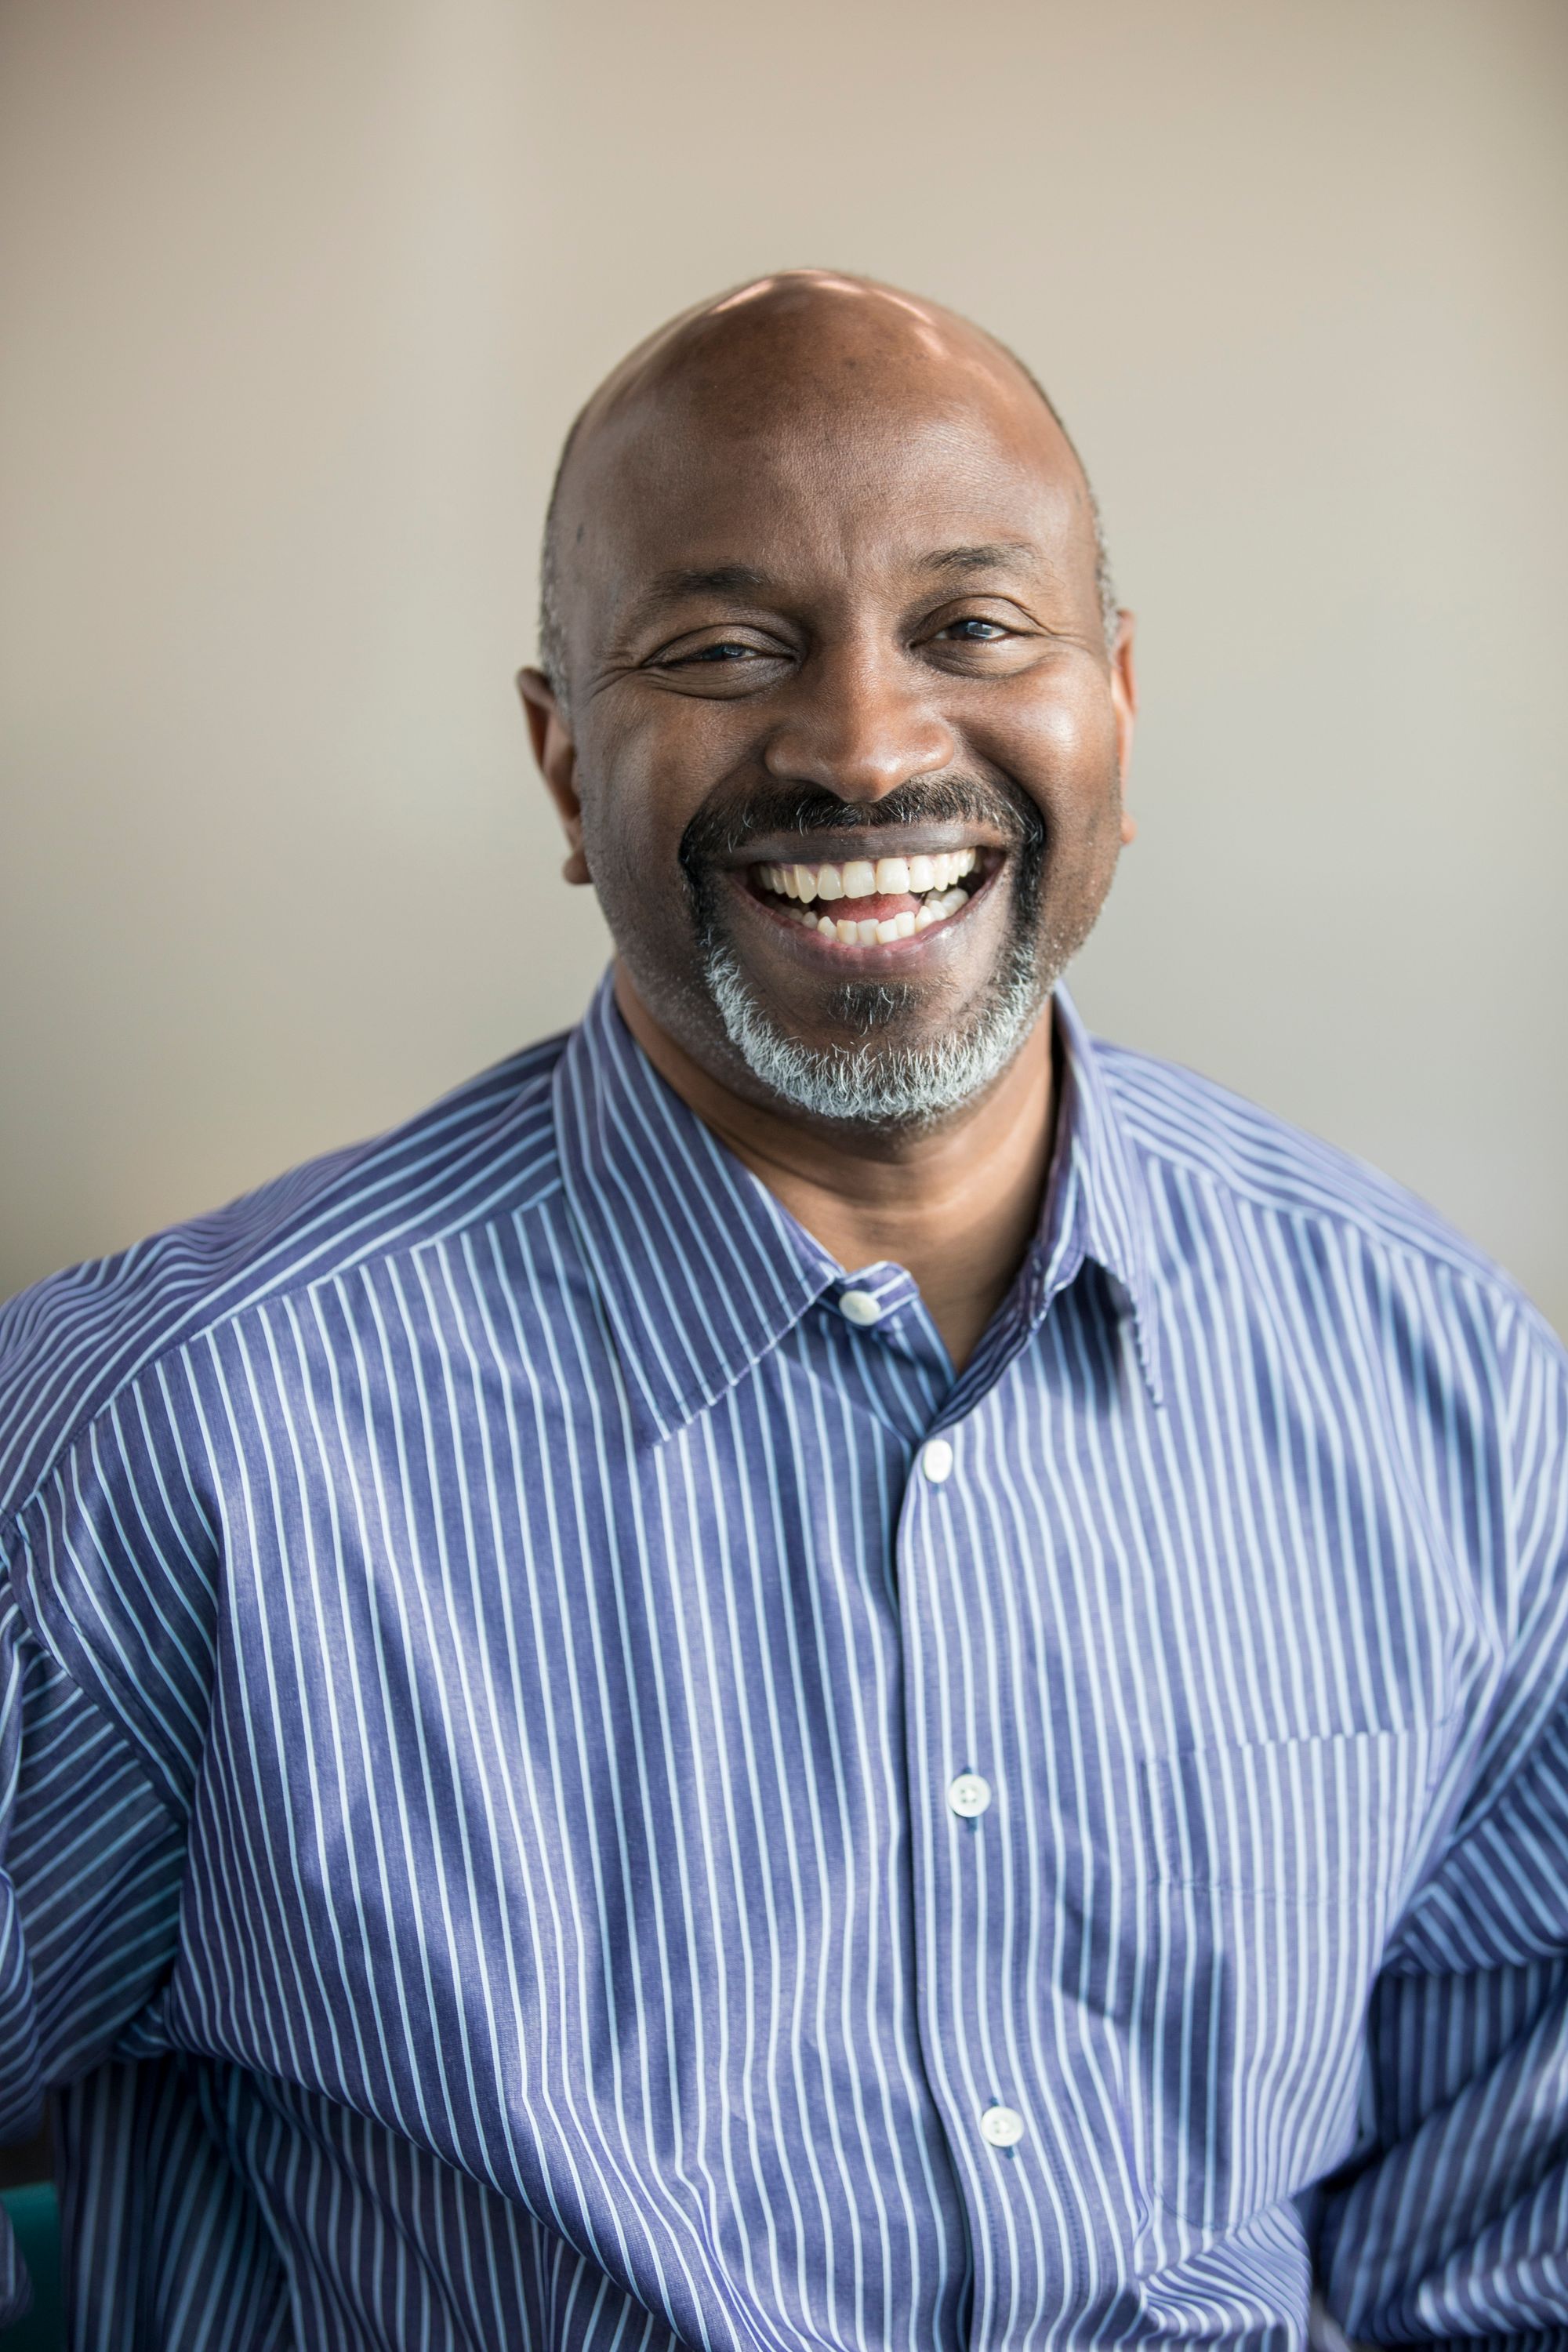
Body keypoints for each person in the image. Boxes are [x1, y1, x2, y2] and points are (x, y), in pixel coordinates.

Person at [1, 270, 1564, 2350]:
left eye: (973, 630)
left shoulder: (1442, 1377)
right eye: (728, 648)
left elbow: (1502, 2240)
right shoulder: (172, 1437)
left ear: (1115, 704)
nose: (862, 743)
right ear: (568, 764)